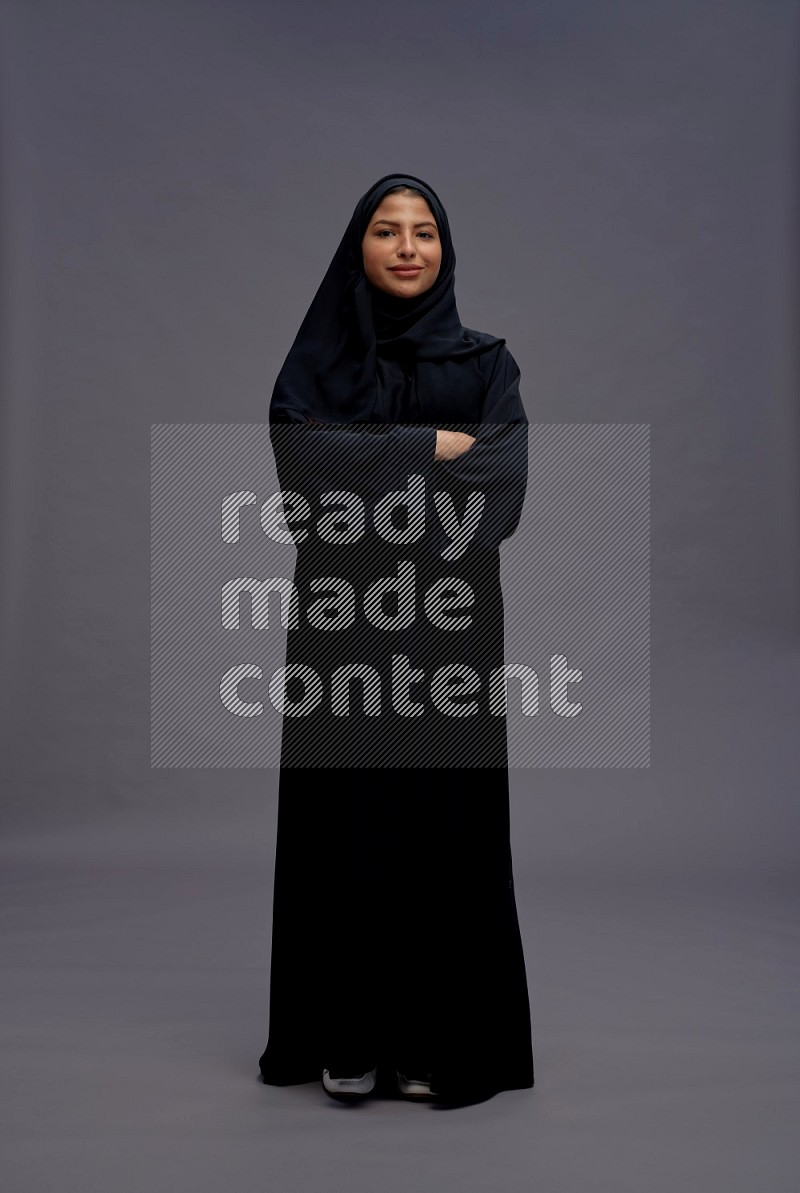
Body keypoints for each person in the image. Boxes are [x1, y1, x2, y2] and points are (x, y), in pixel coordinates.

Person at [257, 173, 534, 1107]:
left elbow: (499, 489)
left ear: (446, 249)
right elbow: (305, 471)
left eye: (424, 232)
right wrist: (427, 451)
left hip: (451, 633)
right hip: (343, 630)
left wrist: (373, 466)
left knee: (439, 828)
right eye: (387, 230)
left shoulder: (489, 363)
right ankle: (348, 1036)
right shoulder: (318, 362)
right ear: (359, 247)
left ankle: (426, 1044)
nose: (408, 246)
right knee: (348, 823)